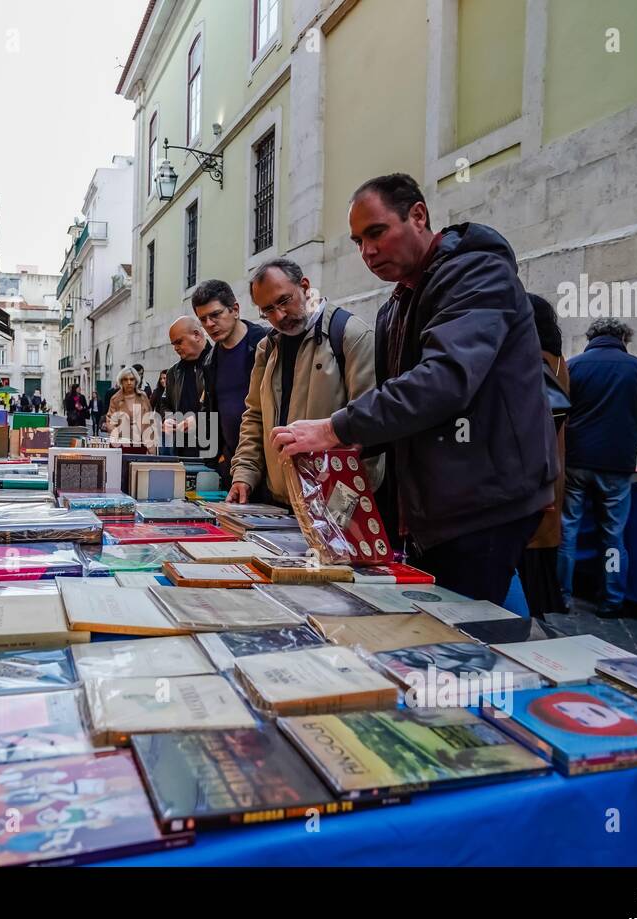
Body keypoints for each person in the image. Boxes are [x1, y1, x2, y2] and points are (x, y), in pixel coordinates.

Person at [271, 173, 557, 605]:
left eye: (377, 232)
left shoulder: (477, 273)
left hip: (483, 500)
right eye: (357, 241)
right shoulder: (395, 306)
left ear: (418, 216)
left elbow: (443, 381)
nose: (367, 251)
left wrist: (334, 430)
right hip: (433, 506)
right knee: (439, 625)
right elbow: (398, 407)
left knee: (464, 633)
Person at [228, 258, 380, 506]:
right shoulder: (267, 348)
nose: (278, 315)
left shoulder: (351, 335)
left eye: (284, 300)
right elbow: (255, 416)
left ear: (305, 286)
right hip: (277, 500)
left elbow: (370, 425)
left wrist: (340, 506)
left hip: (334, 507)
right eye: (267, 310)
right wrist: (244, 474)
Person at [557, 318, 637, 618]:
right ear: (623, 338)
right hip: (617, 462)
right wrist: (631, 434)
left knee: (567, 529)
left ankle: (561, 596)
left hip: (576, 460)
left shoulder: (574, 366)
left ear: (591, 337)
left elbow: (556, 411)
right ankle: (611, 599)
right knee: (613, 535)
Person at [518, 294, 570, 619]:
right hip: (556, 465)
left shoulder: (528, 359)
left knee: (526, 550)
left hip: (533, 470)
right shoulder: (560, 362)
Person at [194, 279, 269, 487]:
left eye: (216, 314)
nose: (209, 324)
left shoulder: (267, 345)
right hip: (230, 468)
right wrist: (218, 458)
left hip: (269, 466)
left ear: (235, 309)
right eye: (203, 319)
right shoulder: (210, 361)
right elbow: (210, 412)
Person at [158, 317, 211, 459]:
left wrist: (199, 421)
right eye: (173, 344)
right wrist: (167, 418)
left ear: (197, 335)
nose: (175, 348)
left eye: (179, 342)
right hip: (180, 448)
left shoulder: (219, 363)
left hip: (212, 449)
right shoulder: (173, 372)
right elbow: (165, 403)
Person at [106, 366, 155, 448]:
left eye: (132, 379)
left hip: (143, 442)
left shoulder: (143, 396)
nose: (129, 382)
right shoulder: (115, 399)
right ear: (121, 381)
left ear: (136, 381)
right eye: (125, 379)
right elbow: (110, 422)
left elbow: (150, 419)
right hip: (122, 444)